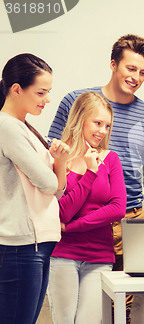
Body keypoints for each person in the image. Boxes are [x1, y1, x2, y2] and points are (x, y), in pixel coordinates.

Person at [48, 34, 144, 323]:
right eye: (130, 68)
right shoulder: (77, 100)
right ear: (114, 65)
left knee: (124, 308)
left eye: (143, 72)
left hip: (130, 216)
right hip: (73, 216)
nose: (136, 77)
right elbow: (54, 152)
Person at [0, 53, 69, 324]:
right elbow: (49, 183)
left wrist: (60, 162)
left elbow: (58, 188)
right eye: (41, 92)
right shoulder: (7, 127)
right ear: (16, 89)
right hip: (20, 245)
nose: (47, 99)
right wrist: (55, 171)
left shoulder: (24, 127)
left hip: (35, 244)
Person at [47, 92, 126, 324]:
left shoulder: (111, 159)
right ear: (80, 119)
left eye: (107, 125)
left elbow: (118, 208)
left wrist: (72, 228)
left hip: (100, 256)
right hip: (63, 254)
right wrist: (90, 173)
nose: (102, 131)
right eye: (97, 123)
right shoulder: (60, 158)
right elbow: (62, 212)